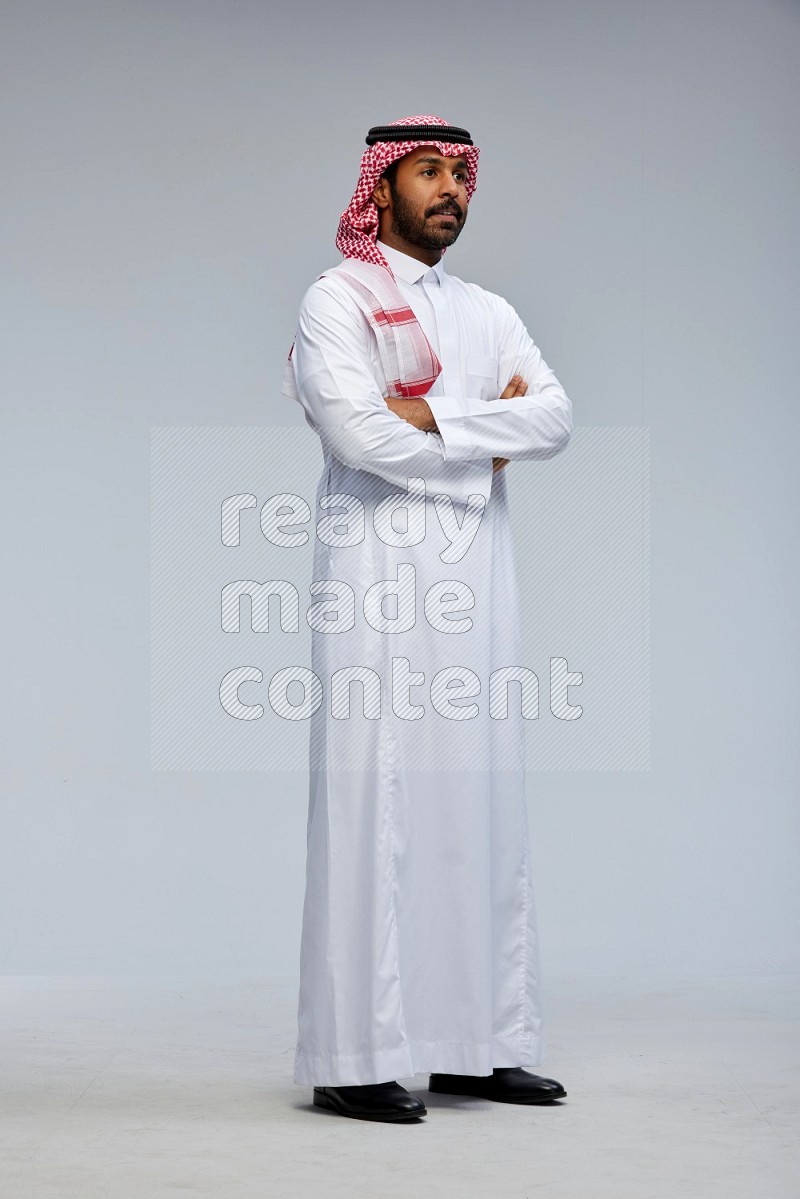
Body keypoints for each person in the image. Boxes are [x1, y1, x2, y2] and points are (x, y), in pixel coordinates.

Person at [282, 114, 572, 1123]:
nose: (450, 189)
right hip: (373, 574)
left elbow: (553, 417)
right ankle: (351, 1053)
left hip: (476, 582)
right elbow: (356, 434)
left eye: (460, 173)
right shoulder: (338, 298)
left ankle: (479, 1042)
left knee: (477, 797)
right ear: (379, 188)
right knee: (374, 801)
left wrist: (432, 416)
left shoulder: (488, 308)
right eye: (427, 171)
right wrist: (476, 433)